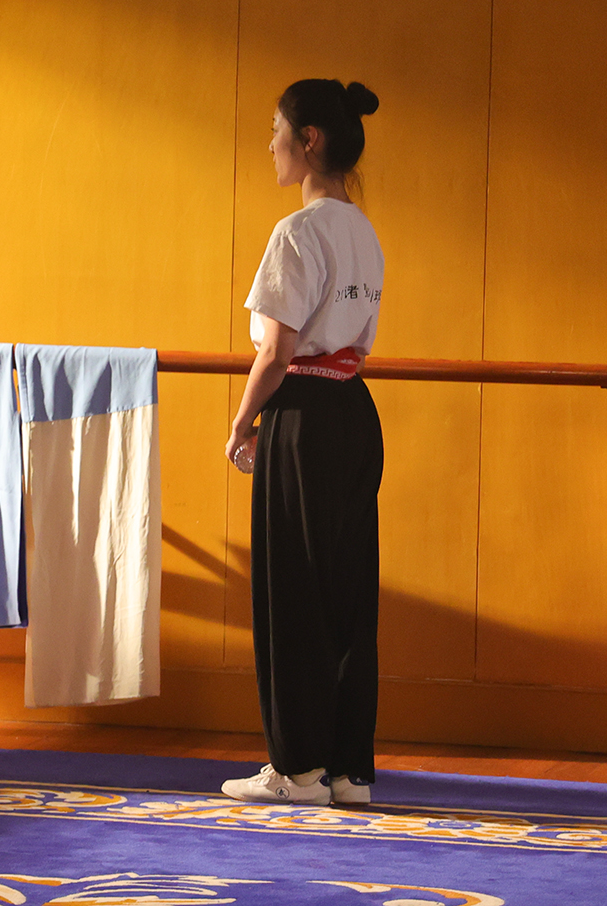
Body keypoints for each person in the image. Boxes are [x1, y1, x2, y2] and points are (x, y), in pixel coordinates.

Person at [221, 78, 385, 806]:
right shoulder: (364, 232)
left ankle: (297, 770)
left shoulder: (298, 232)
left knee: (292, 592)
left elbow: (277, 351)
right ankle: (349, 770)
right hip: (353, 411)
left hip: (304, 415)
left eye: (277, 130)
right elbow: (357, 342)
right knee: (347, 591)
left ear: (309, 139)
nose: (271, 145)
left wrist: (241, 423)